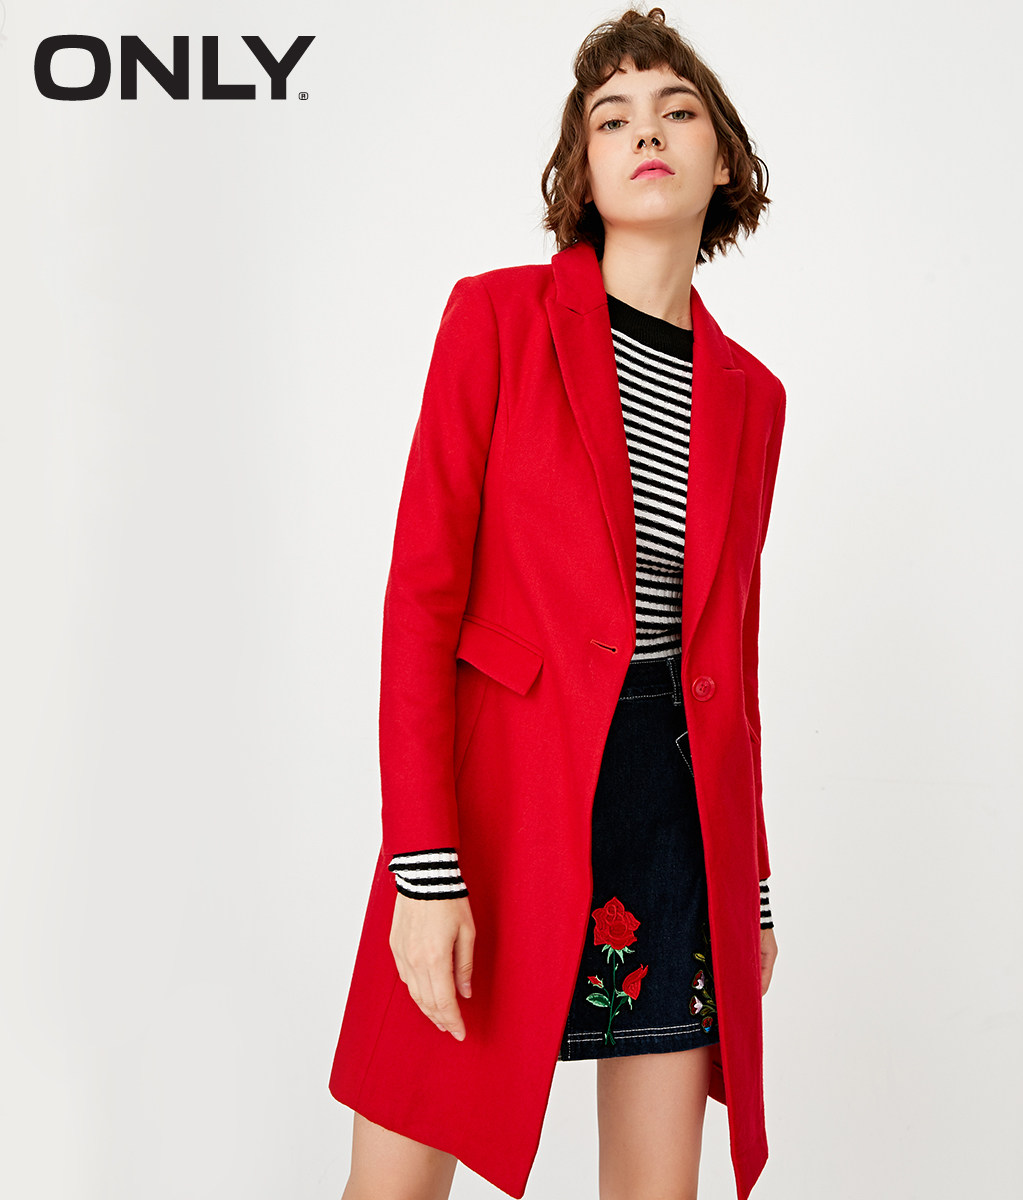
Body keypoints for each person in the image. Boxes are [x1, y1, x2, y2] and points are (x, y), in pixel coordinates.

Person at [330, 8, 787, 1199]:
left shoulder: (752, 397)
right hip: (499, 807)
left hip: (674, 815)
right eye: (613, 118)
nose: (649, 133)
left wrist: (752, 884)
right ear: (582, 169)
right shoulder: (495, 320)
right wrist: (424, 867)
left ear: (722, 160)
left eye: (678, 112)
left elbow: (731, 662)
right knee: (396, 1185)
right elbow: (420, 604)